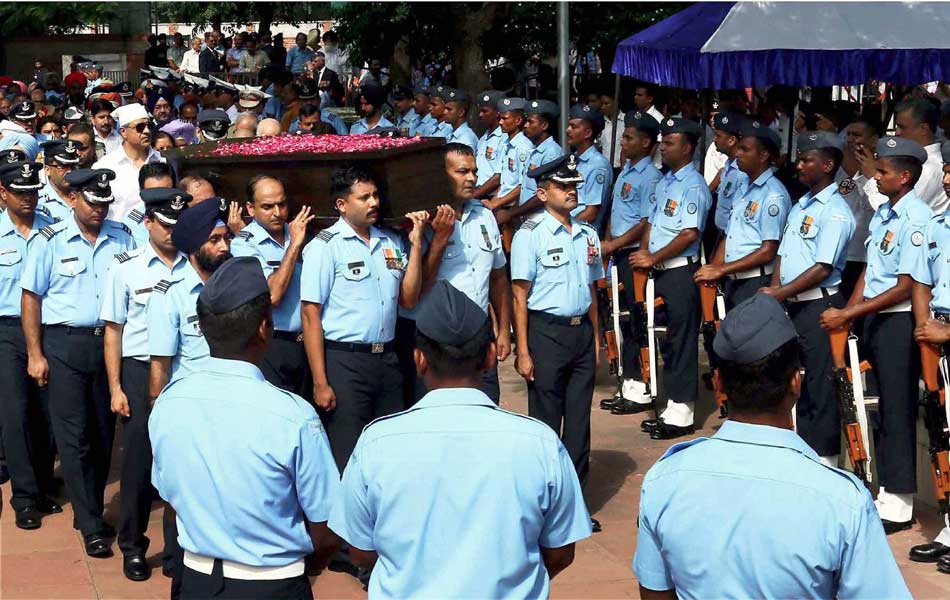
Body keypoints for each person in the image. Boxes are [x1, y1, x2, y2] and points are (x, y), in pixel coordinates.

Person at [633, 293, 911, 599]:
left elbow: (655, 592)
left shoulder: (666, 479)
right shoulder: (842, 499)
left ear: (719, 384)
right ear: (795, 383)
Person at [329, 280, 591, 597]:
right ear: (491, 356)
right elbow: (560, 552)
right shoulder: (540, 443)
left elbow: (360, 551)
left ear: (419, 359)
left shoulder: (376, 443)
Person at [149, 257, 341, 600]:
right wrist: (306, 567)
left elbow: (172, 500)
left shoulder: (168, 403)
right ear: (265, 329)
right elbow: (326, 528)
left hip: (196, 580)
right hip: (274, 584)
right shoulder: (293, 415)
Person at [20, 168, 135, 557]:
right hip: (65, 343)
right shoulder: (48, 241)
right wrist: (35, 354)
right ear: (73, 200)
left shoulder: (123, 237)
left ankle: (89, 506)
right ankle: (90, 522)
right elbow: (31, 299)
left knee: (104, 434)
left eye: (105, 202)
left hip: (111, 345)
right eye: (92, 201)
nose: (100, 209)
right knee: (75, 436)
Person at [818, 137, 931, 533]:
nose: (876, 177)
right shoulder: (885, 214)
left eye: (882, 172)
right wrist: (850, 310)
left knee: (897, 409)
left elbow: (905, 285)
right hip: (872, 317)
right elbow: (870, 270)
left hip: (898, 321)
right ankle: (883, 488)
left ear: (904, 176)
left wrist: (850, 311)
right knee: (878, 406)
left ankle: (900, 500)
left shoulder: (916, 218)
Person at [300, 165, 427, 473]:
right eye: (363, 197)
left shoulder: (390, 243)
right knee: (348, 452)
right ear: (342, 205)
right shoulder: (325, 247)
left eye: (375, 195)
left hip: (387, 359)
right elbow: (309, 314)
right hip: (345, 361)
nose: (374, 203)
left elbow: (408, 298)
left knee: (388, 448)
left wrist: (416, 244)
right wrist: (320, 382)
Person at [511, 154, 604, 532]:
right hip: (546, 332)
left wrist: (596, 339)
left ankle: (576, 505)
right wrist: (523, 349)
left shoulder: (587, 234)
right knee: (547, 423)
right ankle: (547, 508)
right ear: (542, 192)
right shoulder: (529, 235)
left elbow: (593, 291)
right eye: (563, 187)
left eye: (574, 186)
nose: (571, 192)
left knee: (580, 422)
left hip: (581, 331)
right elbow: (520, 294)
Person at [100, 187, 188, 581]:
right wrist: (116, 387)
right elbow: (113, 332)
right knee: (139, 463)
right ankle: (133, 546)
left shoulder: (195, 264)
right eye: (165, 224)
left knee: (183, 465)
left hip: (185, 371)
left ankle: (177, 551)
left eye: (178, 225)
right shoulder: (125, 266)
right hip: (138, 370)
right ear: (148, 222)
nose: (172, 232)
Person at [759, 131, 856, 466]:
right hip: (793, 305)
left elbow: (822, 267)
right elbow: (784, 257)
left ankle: (825, 461)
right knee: (795, 384)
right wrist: (776, 295)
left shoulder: (836, 210)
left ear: (828, 165)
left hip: (820, 304)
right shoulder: (801, 205)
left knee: (820, 385)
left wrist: (779, 293)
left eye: (806, 160)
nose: (798, 165)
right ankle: (800, 451)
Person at [402, 143, 511, 404]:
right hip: (437, 342)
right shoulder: (421, 221)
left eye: (474, 171)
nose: (472, 178)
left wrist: (504, 331)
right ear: (441, 175)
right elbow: (416, 292)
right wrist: (440, 238)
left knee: (486, 412)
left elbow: (497, 278)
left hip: (479, 336)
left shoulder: (485, 216)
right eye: (462, 172)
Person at [634, 117, 712, 439]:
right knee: (664, 338)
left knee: (681, 339)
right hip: (660, 268)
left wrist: (653, 256)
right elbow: (652, 222)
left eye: (670, 142)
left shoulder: (693, 185)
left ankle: (683, 411)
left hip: (680, 268)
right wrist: (644, 254)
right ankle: (671, 403)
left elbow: (689, 232)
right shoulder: (667, 182)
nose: (663, 147)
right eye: (663, 141)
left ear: (688, 147)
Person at [0, 161, 59, 531]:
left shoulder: (51, 229)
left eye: (33, 191)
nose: (29, 198)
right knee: (16, 413)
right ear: (3, 193)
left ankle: (42, 485)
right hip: (6, 331)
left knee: (47, 412)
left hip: (46, 329)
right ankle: (23, 496)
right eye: (20, 192)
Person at [600, 110, 663, 415]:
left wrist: (614, 243)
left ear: (646, 142)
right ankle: (629, 383)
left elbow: (644, 222)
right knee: (620, 317)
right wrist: (609, 243)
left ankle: (642, 387)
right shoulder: (626, 170)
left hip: (635, 252)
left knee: (638, 319)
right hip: (618, 251)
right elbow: (617, 212)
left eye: (628, 138)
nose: (622, 143)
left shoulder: (651, 177)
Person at [908, 140, 950, 574]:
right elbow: (922, 279)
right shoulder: (939, 224)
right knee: (942, 432)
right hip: (934, 336)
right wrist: (926, 330)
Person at [695, 120, 790, 309]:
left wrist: (721, 269)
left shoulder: (772, 194)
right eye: (739, 148)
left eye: (745, 150)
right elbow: (730, 235)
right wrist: (715, 267)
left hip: (755, 281)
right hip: (733, 280)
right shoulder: (744, 186)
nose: (738, 154)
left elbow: (768, 250)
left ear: (763, 155)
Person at [231, 176, 312, 396]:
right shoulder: (244, 244)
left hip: (311, 345)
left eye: (282, 204)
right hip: (274, 345)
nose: (277, 212)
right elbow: (273, 295)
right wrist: (294, 245)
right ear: (250, 208)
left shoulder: (305, 233)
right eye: (267, 207)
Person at [147, 197, 231, 397]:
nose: (225, 247)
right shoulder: (171, 294)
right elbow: (160, 367)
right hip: (190, 401)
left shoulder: (233, 286)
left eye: (226, 238)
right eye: (214, 240)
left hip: (230, 397)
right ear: (194, 246)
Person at [856, 98, 947, 215]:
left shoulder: (930, 169)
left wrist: (872, 176)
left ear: (923, 129)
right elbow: (868, 207)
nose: (897, 132)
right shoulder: (916, 162)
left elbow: (894, 211)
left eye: (902, 127)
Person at [93, 104, 163, 221]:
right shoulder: (104, 167)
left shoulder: (162, 161)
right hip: (119, 236)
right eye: (140, 127)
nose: (146, 131)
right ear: (123, 132)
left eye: (149, 126)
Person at [837, 119, 880, 300]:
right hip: (840, 251)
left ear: (873, 139)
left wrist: (866, 175)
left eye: (857, 135)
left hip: (862, 254)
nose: (851, 139)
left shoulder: (880, 170)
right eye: (848, 135)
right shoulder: (837, 168)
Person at [507, 99, 564, 224]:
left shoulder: (551, 153)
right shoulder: (535, 150)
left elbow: (545, 194)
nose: (525, 126)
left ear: (544, 125)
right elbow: (526, 189)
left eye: (530, 122)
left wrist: (511, 213)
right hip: (528, 217)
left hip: (542, 220)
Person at [483, 97, 533, 219]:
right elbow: (504, 181)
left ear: (518, 120)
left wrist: (496, 203)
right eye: (500, 118)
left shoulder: (523, 147)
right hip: (502, 202)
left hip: (514, 206)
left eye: (505, 118)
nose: (500, 122)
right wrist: (493, 202)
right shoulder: (506, 143)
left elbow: (522, 186)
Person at [565, 104, 611, 226]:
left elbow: (591, 213)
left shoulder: (598, 165)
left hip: (582, 233)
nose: (567, 130)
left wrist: (565, 225)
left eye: (573, 127)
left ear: (587, 133)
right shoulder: (574, 159)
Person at [708, 112, 749, 235]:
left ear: (731, 140)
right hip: (722, 235)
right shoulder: (727, 166)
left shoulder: (742, 172)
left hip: (732, 236)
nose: (715, 140)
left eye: (718, 136)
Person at [122, 162, 176, 250]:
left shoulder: (185, 219)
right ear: (141, 192)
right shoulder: (129, 225)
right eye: (153, 193)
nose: (159, 198)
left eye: (165, 192)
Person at [38, 139, 84, 222]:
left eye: (73, 166)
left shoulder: (85, 196)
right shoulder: (38, 202)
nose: (70, 171)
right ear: (47, 170)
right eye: (63, 166)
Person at [473, 90, 505, 199]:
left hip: (492, 197)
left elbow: (499, 177)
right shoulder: (483, 138)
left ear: (498, 113)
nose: (480, 115)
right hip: (478, 192)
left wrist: (473, 196)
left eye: (485, 111)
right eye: (480, 111)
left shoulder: (504, 138)